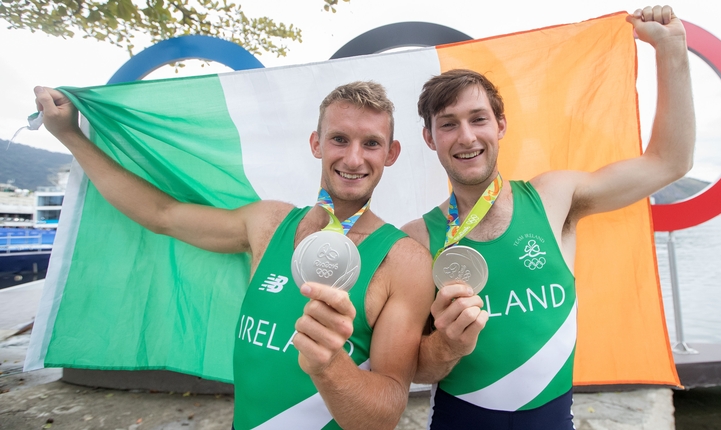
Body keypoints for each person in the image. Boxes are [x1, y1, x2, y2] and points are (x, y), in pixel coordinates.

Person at [34, 81, 434, 430]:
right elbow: (162, 215)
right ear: (316, 143)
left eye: (371, 144)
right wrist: (70, 136)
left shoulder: (403, 262)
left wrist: (329, 364)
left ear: (391, 153)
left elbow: (383, 415)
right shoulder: (268, 224)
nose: (353, 158)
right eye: (339, 139)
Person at [401, 5, 695, 428]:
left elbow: (670, 161)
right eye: (448, 124)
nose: (466, 136)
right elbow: (410, 368)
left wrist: (672, 50)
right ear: (430, 138)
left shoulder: (554, 199)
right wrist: (446, 345)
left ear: (500, 125)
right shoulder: (416, 240)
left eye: (478, 118)